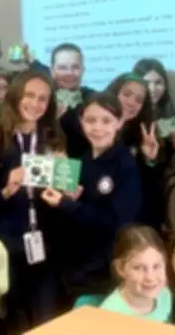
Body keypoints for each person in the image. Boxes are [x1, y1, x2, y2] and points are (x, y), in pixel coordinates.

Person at [0, 70, 65, 332]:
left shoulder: (53, 139)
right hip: (8, 243)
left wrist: (66, 185)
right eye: (29, 95)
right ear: (16, 96)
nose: (35, 104)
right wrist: (5, 191)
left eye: (43, 98)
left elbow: (63, 196)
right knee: (14, 320)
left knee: (46, 319)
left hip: (46, 243)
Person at [46, 93, 142, 301]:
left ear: (119, 123)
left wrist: (68, 204)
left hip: (103, 274)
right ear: (81, 122)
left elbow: (118, 224)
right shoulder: (81, 161)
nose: (98, 128)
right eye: (91, 120)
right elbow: (73, 215)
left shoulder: (125, 166)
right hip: (73, 268)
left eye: (106, 121)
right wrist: (67, 198)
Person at [103, 74, 160, 230]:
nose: (131, 102)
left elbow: (149, 192)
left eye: (138, 100)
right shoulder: (91, 126)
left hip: (129, 223)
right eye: (127, 94)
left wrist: (149, 161)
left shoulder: (144, 136)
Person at [99, 225, 172, 322]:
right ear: (120, 268)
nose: (150, 277)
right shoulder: (109, 315)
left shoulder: (164, 294)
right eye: (139, 268)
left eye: (156, 266)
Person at [133, 58, 175, 149]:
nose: (152, 89)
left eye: (158, 82)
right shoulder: (128, 120)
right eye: (146, 83)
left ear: (165, 85)